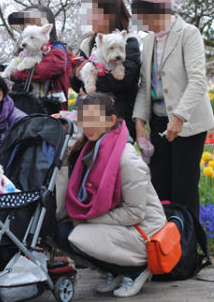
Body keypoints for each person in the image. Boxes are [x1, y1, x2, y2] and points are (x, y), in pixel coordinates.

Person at [55, 93, 166, 298]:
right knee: (59, 231)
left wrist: (87, 219)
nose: (87, 125)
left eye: (94, 119)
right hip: (117, 223)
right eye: (83, 119)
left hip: (143, 230)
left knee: (75, 235)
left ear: (111, 120)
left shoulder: (126, 158)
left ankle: (136, 270)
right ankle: (114, 270)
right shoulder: (89, 149)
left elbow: (135, 213)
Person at [131, 0, 214, 219]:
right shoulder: (148, 41)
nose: (138, 18)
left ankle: (188, 247)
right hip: (158, 122)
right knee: (159, 186)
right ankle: (165, 245)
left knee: (184, 186)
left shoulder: (188, 33)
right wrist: (139, 121)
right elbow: (145, 86)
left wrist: (178, 117)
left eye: (140, 12)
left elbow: (198, 81)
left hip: (187, 124)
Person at [71, 0, 141, 137]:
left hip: (120, 113)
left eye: (94, 13)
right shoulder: (87, 44)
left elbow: (126, 79)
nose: (89, 18)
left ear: (110, 14)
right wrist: (78, 76)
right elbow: (76, 84)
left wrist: (91, 81)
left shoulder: (129, 40)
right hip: (92, 115)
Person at [7, 5, 70, 113]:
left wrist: (15, 73)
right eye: (26, 21)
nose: (28, 24)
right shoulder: (24, 51)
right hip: (26, 107)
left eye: (33, 20)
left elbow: (40, 73)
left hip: (50, 110)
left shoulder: (57, 50)